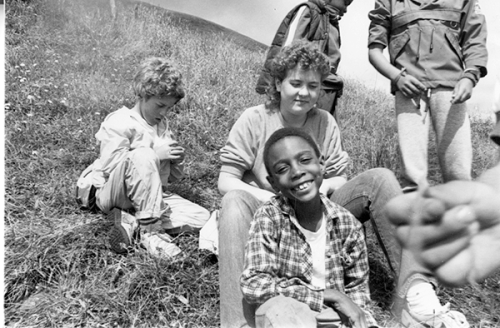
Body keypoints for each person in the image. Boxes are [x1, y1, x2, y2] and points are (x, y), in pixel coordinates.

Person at [218, 41, 465, 328]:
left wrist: (323, 189)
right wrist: (269, 198)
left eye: (313, 86)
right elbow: (226, 180)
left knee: (381, 179)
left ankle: (416, 295)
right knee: (234, 200)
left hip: (317, 207)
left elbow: (338, 176)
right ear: (277, 83)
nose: (304, 92)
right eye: (295, 83)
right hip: (270, 209)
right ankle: (238, 322)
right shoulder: (254, 119)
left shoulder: (324, 121)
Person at [240, 127, 378, 328]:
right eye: (282, 169)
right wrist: (326, 296)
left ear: (321, 164)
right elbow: (253, 284)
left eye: (305, 160)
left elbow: (358, 295)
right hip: (288, 317)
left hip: (333, 320)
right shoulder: (270, 216)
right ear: (273, 183)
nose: (297, 172)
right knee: (282, 312)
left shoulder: (347, 223)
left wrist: (364, 320)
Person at [76, 57, 210, 258]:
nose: (164, 113)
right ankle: (151, 231)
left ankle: (131, 222)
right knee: (143, 155)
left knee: (201, 217)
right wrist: (155, 155)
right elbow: (111, 166)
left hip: (148, 197)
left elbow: (171, 179)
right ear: (142, 95)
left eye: (169, 108)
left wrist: (176, 160)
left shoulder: (161, 128)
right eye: (160, 105)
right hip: (110, 192)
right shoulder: (121, 121)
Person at [385, 79, 500, 288]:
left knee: (456, 173)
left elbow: (475, 47)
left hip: (450, 80)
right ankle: (416, 280)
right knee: (414, 191)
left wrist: (470, 74)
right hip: (410, 84)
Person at [368, 0, 488, 192]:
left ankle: (458, 219)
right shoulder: (388, 2)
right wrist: (397, 77)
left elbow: (475, 41)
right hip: (409, 91)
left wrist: (470, 76)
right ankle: (415, 219)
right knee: (412, 177)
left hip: (451, 90)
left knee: (459, 173)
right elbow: (374, 51)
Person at [255, 0, 353, 122]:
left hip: (327, 92)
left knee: (323, 135)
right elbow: (286, 53)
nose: (346, 10)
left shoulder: (331, 22)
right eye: (346, 3)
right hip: (308, 89)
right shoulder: (308, 11)